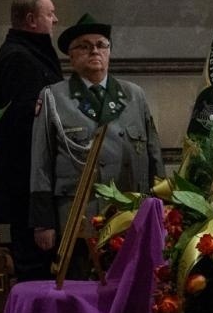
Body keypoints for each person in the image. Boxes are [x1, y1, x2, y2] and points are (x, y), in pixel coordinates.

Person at [28, 16, 163, 267]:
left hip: (130, 213)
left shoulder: (134, 95)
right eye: (84, 46)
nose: (94, 51)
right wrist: (43, 222)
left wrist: (163, 208)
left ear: (109, 52)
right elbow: (41, 163)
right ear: (71, 56)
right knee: (81, 283)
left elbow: (154, 154)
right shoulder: (54, 97)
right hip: (80, 217)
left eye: (101, 45)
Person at [0, 0, 62, 281]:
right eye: (50, 13)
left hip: (33, 187)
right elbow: (26, 133)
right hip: (29, 189)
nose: (55, 19)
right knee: (36, 272)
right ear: (32, 20)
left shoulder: (29, 55)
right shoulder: (20, 59)